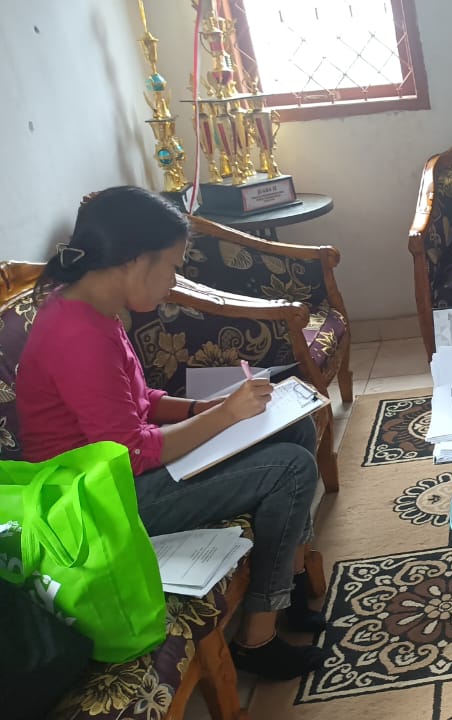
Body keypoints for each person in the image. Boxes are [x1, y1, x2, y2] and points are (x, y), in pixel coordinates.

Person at [16, 186, 325, 680]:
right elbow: (132, 453)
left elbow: (140, 400)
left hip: (119, 476)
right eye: (171, 267)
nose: (173, 281)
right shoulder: (78, 336)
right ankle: (258, 640)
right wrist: (224, 418)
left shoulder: (93, 307)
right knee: (290, 469)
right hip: (101, 505)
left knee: (294, 430)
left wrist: (207, 407)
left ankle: (288, 582)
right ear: (135, 261)